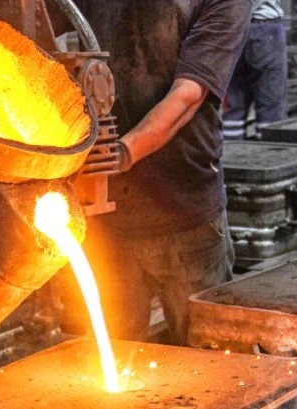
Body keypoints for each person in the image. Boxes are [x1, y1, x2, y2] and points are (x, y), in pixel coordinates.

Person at [58, 0, 251, 346]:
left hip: (183, 211)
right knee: (111, 361)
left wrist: (121, 153)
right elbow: (38, 20)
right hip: (108, 214)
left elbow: (189, 95)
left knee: (207, 356)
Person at [222, 0, 288, 140]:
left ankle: (232, 154)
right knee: (270, 104)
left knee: (234, 105)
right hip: (266, 28)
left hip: (230, 29)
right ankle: (268, 155)